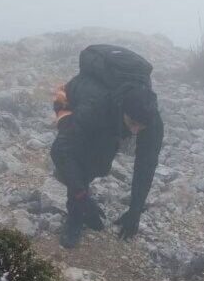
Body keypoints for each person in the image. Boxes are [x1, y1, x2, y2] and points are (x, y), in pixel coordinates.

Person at [50, 44, 164, 249]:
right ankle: (75, 218)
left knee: (101, 164)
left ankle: (81, 198)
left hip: (110, 118)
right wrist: (81, 197)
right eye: (133, 124)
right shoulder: (95, 106)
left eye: (142, 127)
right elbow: (60, 150)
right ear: (123, 111)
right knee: (79, 161)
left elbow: (146, 164)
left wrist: (135, 211)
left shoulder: (151, 119)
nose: (137, 131)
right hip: (69, 100)